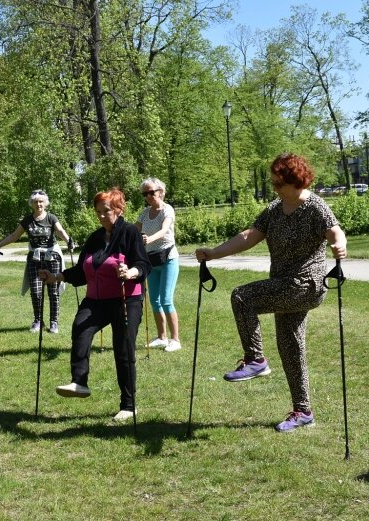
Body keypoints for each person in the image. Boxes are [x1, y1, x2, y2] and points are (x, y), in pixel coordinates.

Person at [195, 153, 347, 432]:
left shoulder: (315, 206)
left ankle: (255, 360)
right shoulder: (275, 208)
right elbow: (248, 236)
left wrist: (339, 246)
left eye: (279, 184)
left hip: (305, 285)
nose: (274, 188)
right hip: (284, 284)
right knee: (291, 347)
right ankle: (303, 411)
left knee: (242, 297)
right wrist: (214, 253)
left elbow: (335, 231)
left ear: (296, 181)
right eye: (274, 183)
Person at [40, 188, 151, 422]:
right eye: (98, 212)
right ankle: (79, 382)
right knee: (81, 327)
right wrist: (55, 277)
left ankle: (129, 405)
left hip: (126, 299)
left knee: (123, 349)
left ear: (119, 210)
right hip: (96, 300)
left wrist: (130, 272)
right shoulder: (95, 238)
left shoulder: (130, 232)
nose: (101, 216)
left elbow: (143, 264)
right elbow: (82, 272)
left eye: (106, 211)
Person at [0, 189, 73, 334]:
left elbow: (60, 230)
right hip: (34, 260)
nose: (38, 204)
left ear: (45, 203)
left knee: (53, 292)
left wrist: (69, 241)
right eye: (35, 202)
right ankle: (38, 320)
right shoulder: (27, 220)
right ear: (31, 204)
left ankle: (54, 322)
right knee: (35, 291)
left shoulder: (51, 218)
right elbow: (14, 236)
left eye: (41, 201)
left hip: (52, 259)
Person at [136, 177, 182, 352]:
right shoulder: (145, 212)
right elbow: (135, 228)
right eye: (145, 193)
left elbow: (164, 230)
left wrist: (148, 238)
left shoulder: (167, 210)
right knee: (154, 301)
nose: (148, 196)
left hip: (168, 259)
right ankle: (162, 337)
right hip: (150, 261)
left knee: (166, 300)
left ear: (160, 192)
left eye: (151, 192)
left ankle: (175, 340)